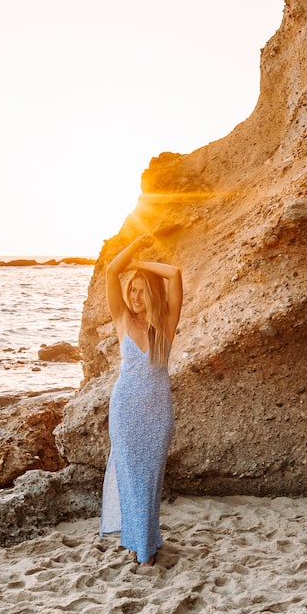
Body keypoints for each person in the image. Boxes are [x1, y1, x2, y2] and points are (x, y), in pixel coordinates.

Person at [99, 234, 183, 565]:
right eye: (130, 290)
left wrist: (139, 267)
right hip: (125, 410)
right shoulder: (122, 320)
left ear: (150, 292)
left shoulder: (165, 323)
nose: (134, 296)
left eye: (139, 290)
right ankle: (142, 547)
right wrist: (132, 249)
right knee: (133, 479)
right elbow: (110, 273)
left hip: (158, 413)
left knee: (150, 481)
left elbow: (174, 274)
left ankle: (145, 542)